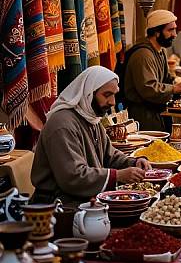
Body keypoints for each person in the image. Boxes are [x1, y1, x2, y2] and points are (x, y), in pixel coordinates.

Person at [31, 66, 151, 206]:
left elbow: (109, 157)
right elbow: (73, 177)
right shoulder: (62, 125)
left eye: (114, 95)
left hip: (82, 199)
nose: (112, 102)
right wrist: (118, 176)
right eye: (106, 95)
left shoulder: (91, 119)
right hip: (57, 206)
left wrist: (134, 163)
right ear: (89, 93)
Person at [124, 10, 181, 131]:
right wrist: (175, 88)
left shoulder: (161, 50)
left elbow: (166, 78)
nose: (175, 34)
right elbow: (148, 88)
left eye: (174, 29)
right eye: (170, 30)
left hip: (157, 112)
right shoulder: (143, 54)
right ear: (157, 32)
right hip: (143, 116)